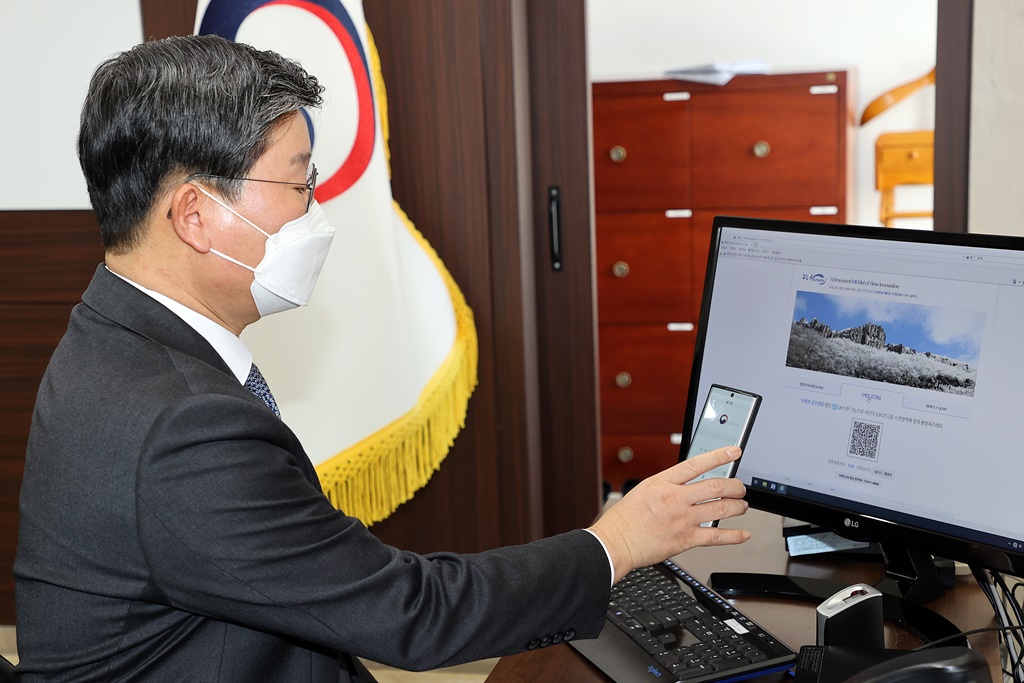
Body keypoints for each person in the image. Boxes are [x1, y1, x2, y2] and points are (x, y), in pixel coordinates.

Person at [14, 34, 751, 682]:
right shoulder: (183, 428)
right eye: (300, 183)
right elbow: (414, 614)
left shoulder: (107, 334)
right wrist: (615, 541)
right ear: (197, 216)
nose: (316, 212)